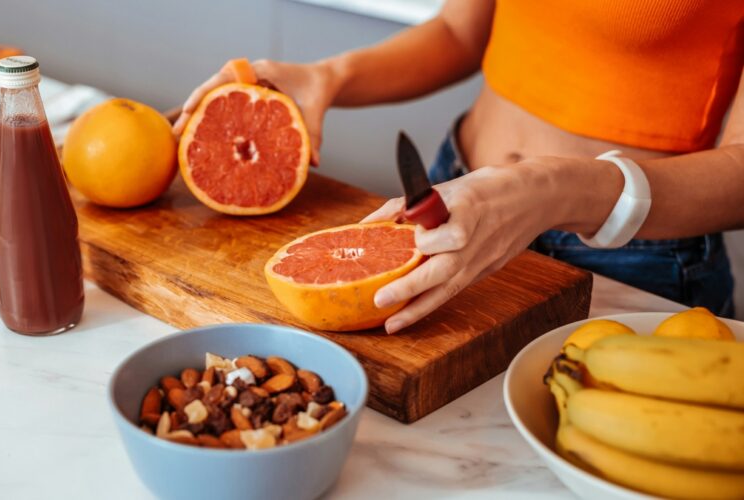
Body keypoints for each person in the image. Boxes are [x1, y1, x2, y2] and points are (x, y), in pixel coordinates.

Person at [175, 0, 744, 333]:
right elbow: (458, 32)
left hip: (634, 254)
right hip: (455, 193)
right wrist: (331, 77)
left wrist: (556, 188)